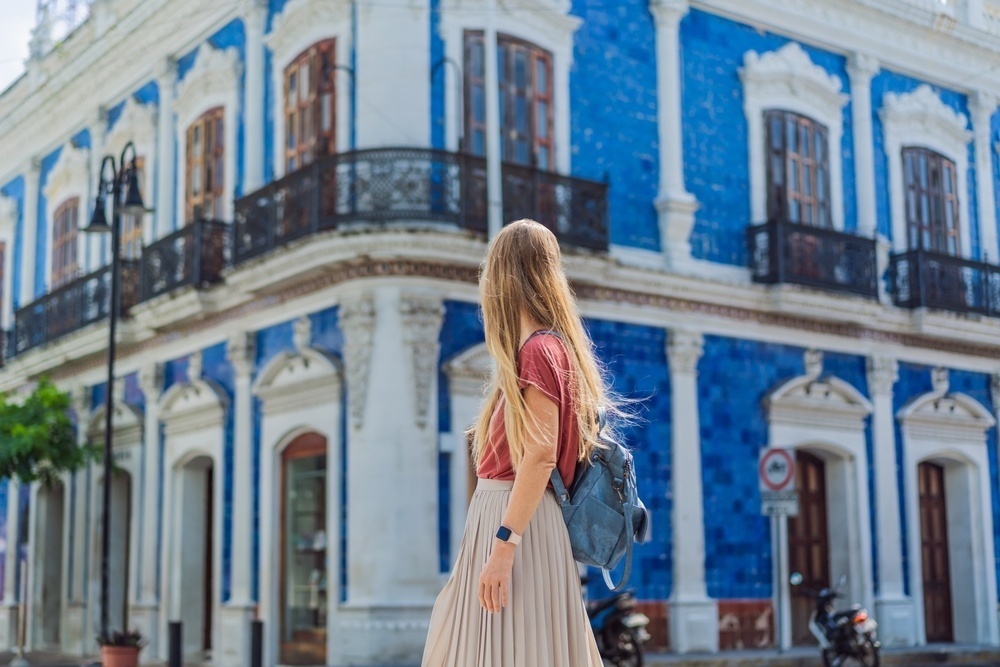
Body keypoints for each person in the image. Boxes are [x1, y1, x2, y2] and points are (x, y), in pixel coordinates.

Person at [422, 219, 609, 667]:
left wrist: (504, 544)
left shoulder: (538, 351)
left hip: (516, 525)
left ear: (503, 277)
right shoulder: (549, 349)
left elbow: (541, 455)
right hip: (523, 524)